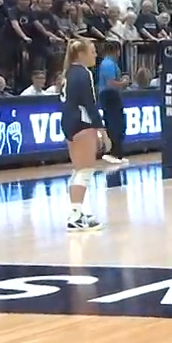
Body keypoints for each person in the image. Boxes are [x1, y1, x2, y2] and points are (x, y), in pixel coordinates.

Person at [60, 39, 107, 232]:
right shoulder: (83, 73)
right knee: (85, 171)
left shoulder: (68, 72)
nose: (95, 55)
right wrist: (102, 130)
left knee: (79, 170)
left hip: (68, 121)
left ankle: (78, 210)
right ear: (81, 54)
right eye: (93, 51)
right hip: (82, 122)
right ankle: (75, 215)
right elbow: (90, 103)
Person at [98, 40, 131, 165]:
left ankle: (118, 153)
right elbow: (111, 83)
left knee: (119, 123)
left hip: (112, 95)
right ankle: (113, 152)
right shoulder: (107, 64)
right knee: (115, 123)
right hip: (109, 95)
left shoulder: (111, 63)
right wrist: (124, 83)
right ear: (115, 50)